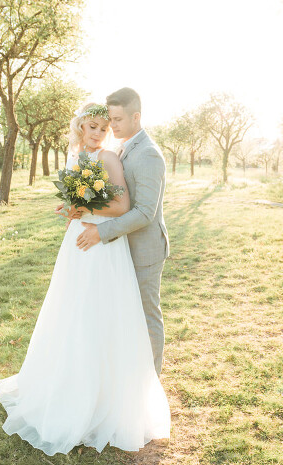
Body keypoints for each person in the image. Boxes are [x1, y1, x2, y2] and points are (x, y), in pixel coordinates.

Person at [0, 102, 170, 456]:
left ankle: (108, 392)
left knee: (100, 310)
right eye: (93, 127)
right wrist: (71, 208)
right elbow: (79, 198)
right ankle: (68, 382)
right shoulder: (74, 158)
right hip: (77, 241)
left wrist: (85, 209)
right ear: (80, 128)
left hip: (102, 242)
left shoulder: (109, 158)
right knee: (70, 308)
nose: (99, 132)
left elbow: (121, 206)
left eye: (104, 127)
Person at [74, 87, 170, 377]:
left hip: (146, 250)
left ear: (136, 116)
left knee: (146, 314)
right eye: (109, 120)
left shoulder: (149, 155)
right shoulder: (124, 148)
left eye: (116, 120)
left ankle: (151, 381)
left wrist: (100, 233)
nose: (111, 126)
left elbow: (144, 213)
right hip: (123, 247)